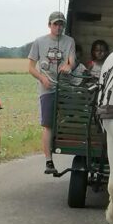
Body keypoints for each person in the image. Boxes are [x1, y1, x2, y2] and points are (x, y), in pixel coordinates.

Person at [28, 11, 76, 174]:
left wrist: (68, 67)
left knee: (69, 119)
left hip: (65, 86)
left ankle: (67, 146)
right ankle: (49, 161)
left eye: (61, 24)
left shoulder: (69, 41)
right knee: (48, 125)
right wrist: (42, 78)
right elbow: (30, 67)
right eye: (55, 24)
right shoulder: (39, 42)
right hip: (47, 87)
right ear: (49, 25)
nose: (58, 27)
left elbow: (71, 61)